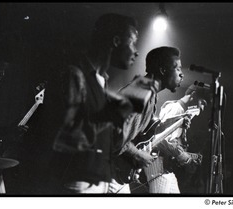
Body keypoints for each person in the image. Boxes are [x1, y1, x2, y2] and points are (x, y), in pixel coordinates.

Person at [51, 13, 140, 194]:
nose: (136, 51)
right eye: (132, 43)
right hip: (78, 185)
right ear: (116, 41)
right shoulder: (75, 74)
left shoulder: (102, 82)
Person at [109, 46, 190, 193]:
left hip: (115, 174)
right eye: (177, 68)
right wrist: (136, 154)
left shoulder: (149, 93)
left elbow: (144, 131)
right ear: (163, 70)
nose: (182, 74)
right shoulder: (141, 91)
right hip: (107, 175)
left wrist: (175, 121)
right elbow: (112, 132)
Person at [145, 85, 209, 193]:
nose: (202, 108)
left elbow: (171, 139)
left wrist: (189, 156)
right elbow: (160, 139)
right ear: (193, 94)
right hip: (158, 162)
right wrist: (184, 157)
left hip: (165, 165)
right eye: (202, 102)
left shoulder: (181, 110)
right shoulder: (176, 108)